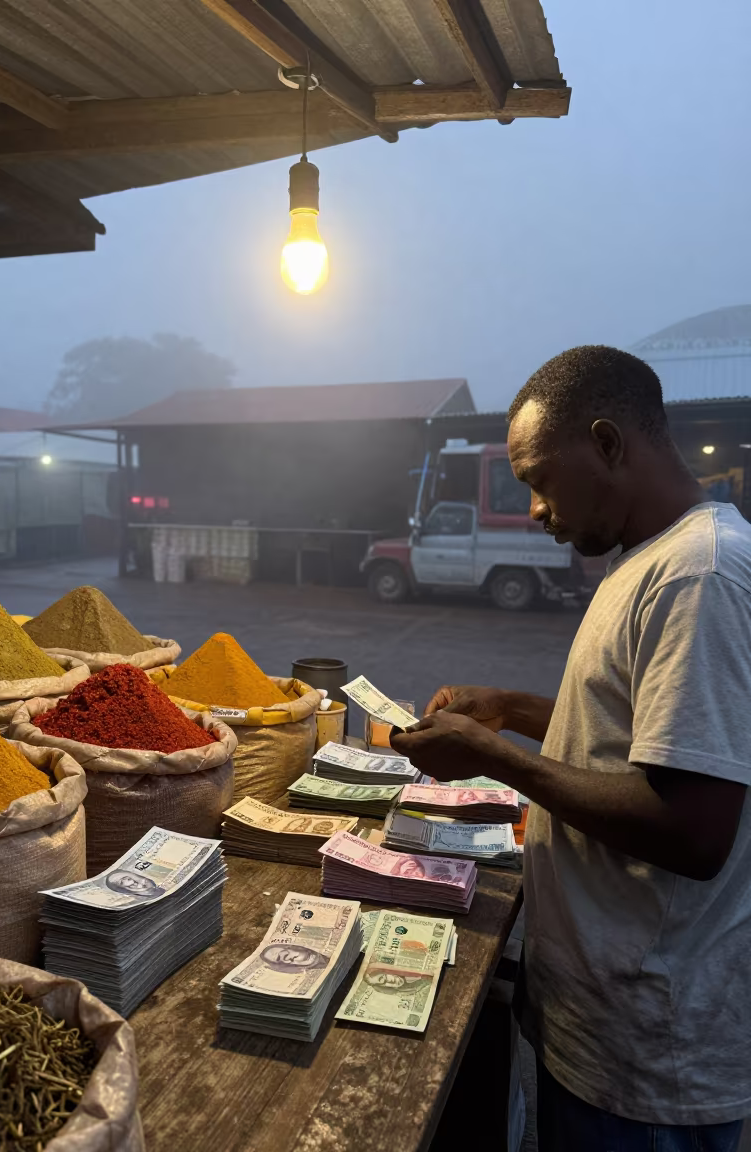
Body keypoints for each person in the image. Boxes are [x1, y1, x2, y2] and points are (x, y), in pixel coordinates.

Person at [391, 346, 751, 1152]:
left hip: (649, 1051)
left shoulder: (701, 576)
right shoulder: (651, 562)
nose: (535, 511)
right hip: (605, 1015)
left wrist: (495, 758)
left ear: (610, 444)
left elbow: (693, 827)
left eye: (539, 480)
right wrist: (513, 710)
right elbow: (654, 739)